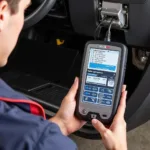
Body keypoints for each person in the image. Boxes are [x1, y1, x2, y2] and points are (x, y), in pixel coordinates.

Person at [0, 0, 128, 150]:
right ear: (2, 14)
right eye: (25, 10)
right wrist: (118, 147)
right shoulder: (41, 139)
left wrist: (61, 124)